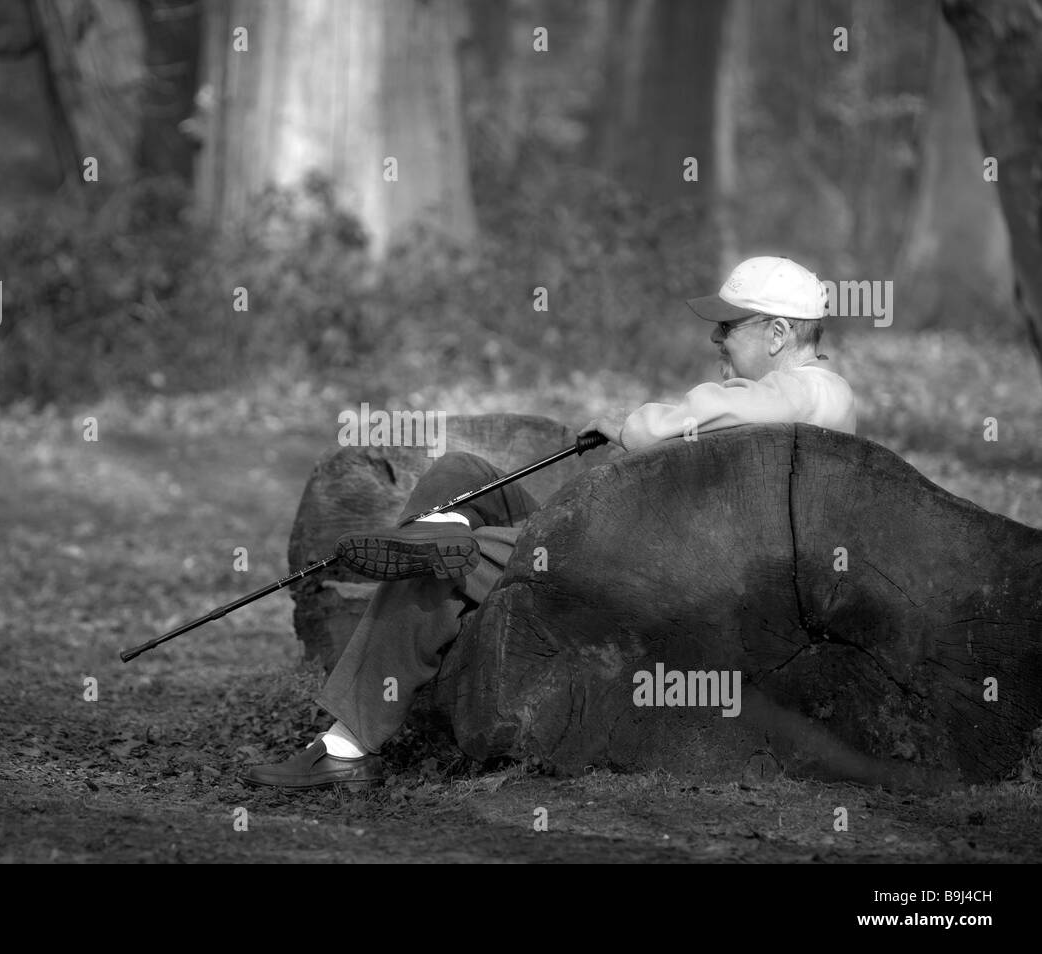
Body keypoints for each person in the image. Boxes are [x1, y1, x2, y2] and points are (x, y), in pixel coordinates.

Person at [242, 256, 857, 789]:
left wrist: (635, 423)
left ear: (778, 332)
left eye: (727, 326)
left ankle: (346, 748)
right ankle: (443, 533)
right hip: (622, 549)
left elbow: (696, 419)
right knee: (460, 471)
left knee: (440, 562)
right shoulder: (796, 394)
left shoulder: (813, 394)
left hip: (641, 580)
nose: (715, 340)